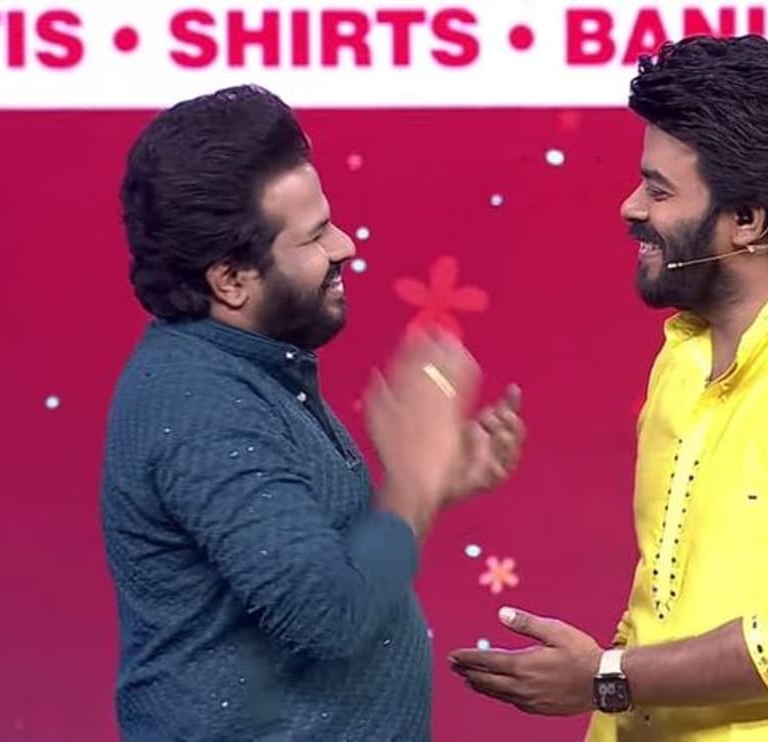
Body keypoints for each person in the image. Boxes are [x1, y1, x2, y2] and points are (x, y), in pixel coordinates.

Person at [450, 35, 768, 742]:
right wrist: (608, 681)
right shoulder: (682, 364)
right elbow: (654, 617)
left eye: (659, 190)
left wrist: (606, 677)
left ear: (747, 221)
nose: (630, 208)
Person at [101, 84, 524, 741]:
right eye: (315, 236)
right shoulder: (198, 403)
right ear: (230, 280)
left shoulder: (247, 367)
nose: (345, 245)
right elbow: (327, 613)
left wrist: (433, 480)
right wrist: (412, 484)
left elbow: (314, 562)